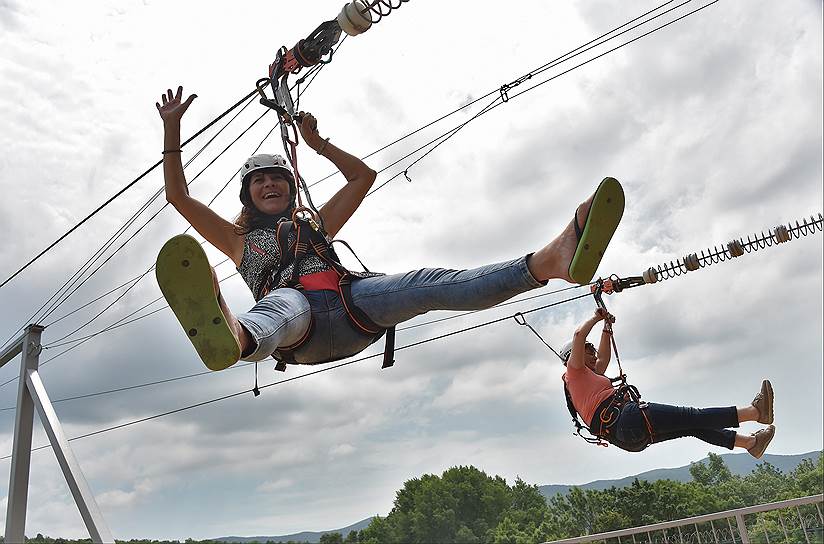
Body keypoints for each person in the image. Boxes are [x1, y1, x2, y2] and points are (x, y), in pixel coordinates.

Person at [156, 86, 624, 368]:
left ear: (291, 187)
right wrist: (172, 130)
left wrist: (318, 145)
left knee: (429, 284)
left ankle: (550, 261)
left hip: (353, 306)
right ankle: (235, 338)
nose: (271, 184)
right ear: (248, 194)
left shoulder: (315, 224)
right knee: (279, 305)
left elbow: (363, 177)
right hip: (300, 328)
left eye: (279, 178)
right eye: (260, 181)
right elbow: (179, 196)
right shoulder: (238, 240)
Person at [561, 308, 776, 458]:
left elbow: (603, 360)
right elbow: (579, 334)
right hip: (629, 419)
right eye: (589, 351)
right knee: (693, 415)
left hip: (627, 437)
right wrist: (596, 318)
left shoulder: (585, 380)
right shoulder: (575, 372)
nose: (593, 355)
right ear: (576, 355)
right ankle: (755, 413)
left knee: (694, 426)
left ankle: (750, 443)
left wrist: (606, 327)